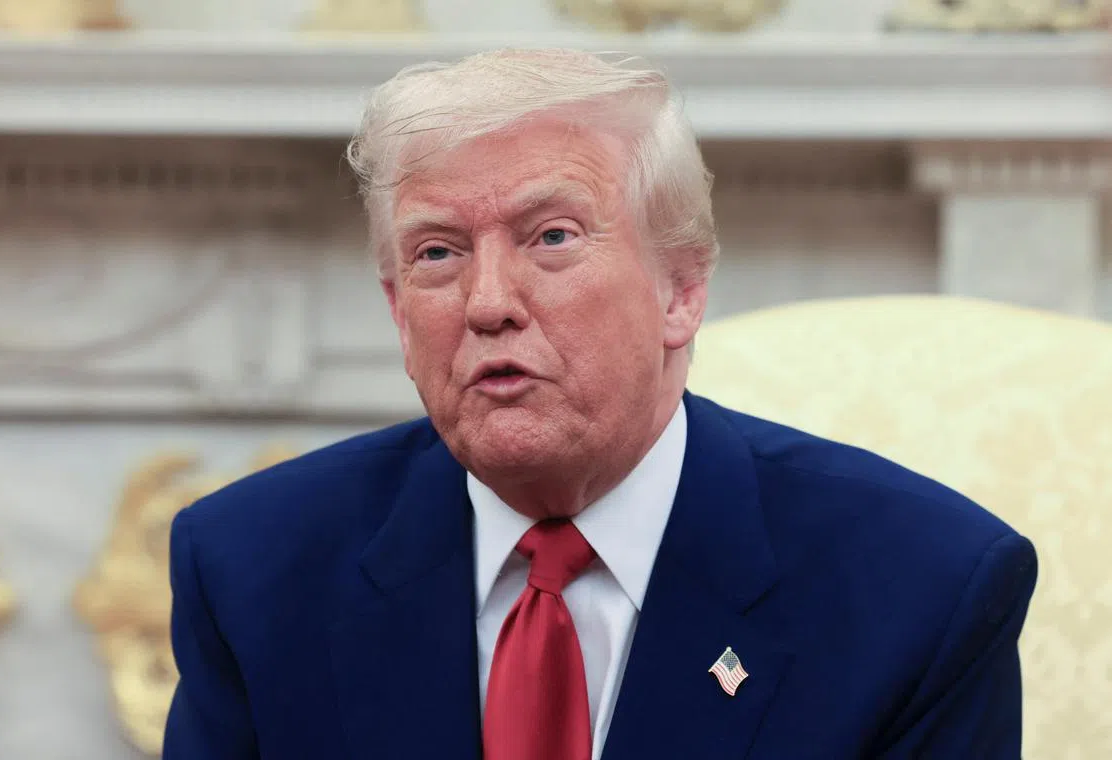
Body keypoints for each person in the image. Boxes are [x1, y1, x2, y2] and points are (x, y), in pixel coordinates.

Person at [162, 48, 1037, 760]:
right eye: (437, 254)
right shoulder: (252, 569)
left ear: (681, 291)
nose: (486, 301)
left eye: (552, 237)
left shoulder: (924, 591)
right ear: (397, 313)